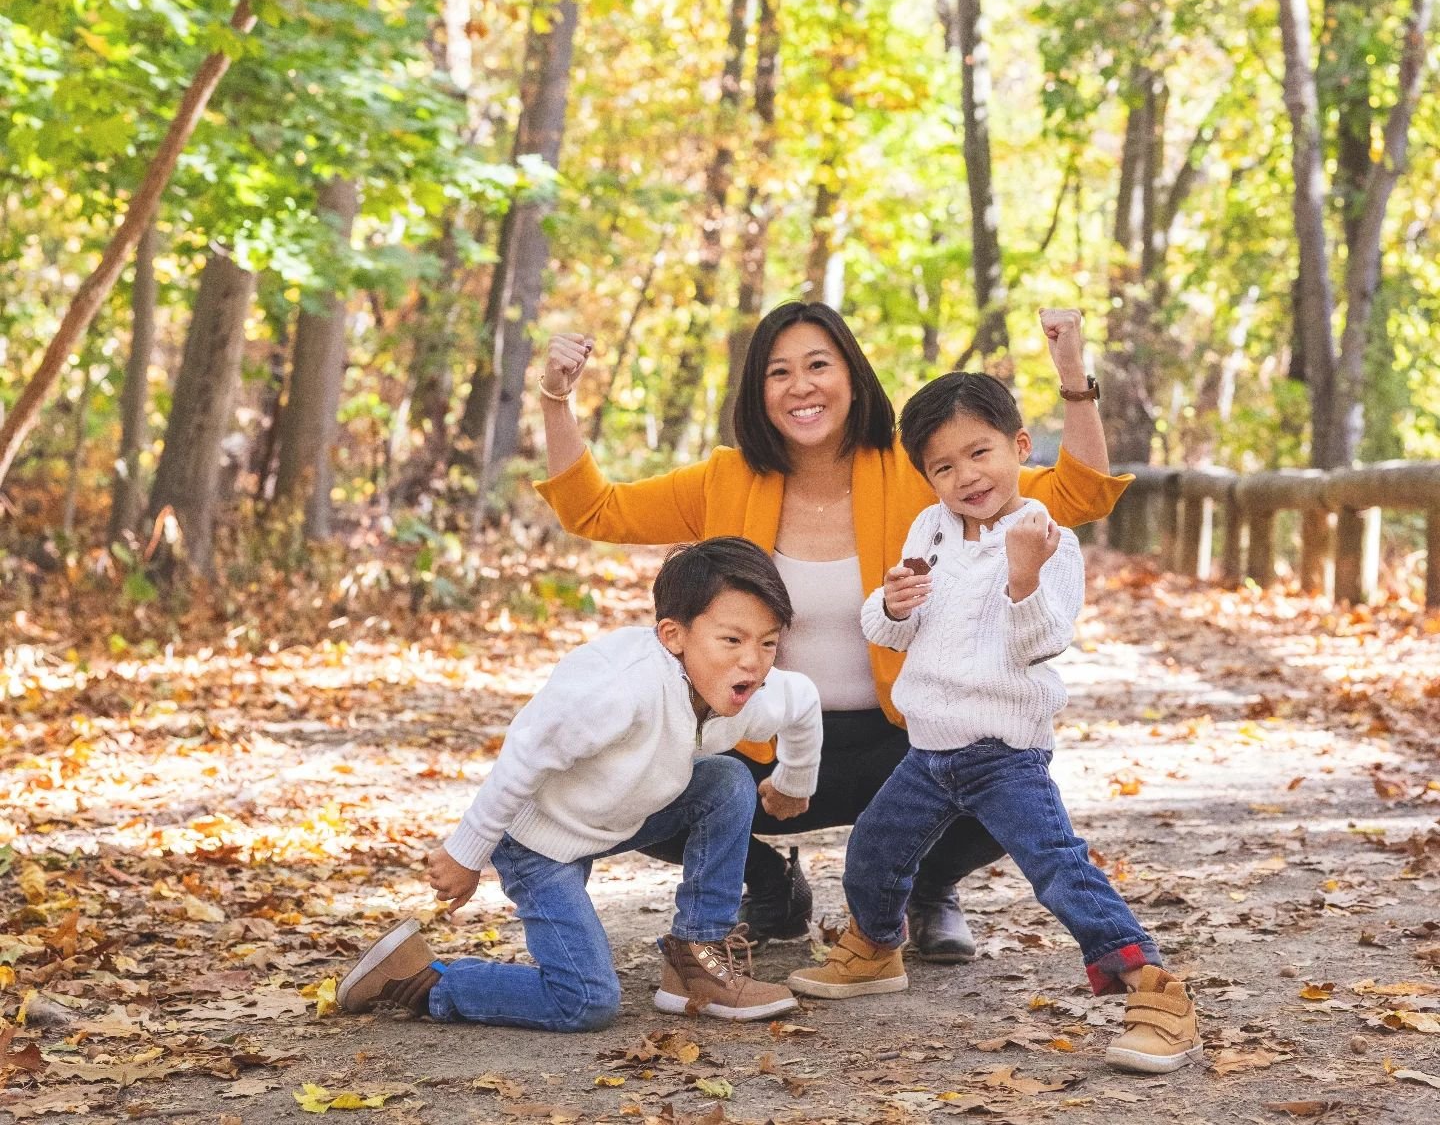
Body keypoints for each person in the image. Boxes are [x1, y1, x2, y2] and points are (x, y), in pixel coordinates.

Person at [534, 303, 1130, 962]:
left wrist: (1072, 374)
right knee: (633, 774)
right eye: (779, 372)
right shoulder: (726, 480)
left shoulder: (921, 471)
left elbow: (1084, 495)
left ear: (852, 375)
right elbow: (594, 508)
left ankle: (926, 890)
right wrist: (555, 399)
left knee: (1000, 766)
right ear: (758, 392)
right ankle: (764, 886)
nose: (802, 385)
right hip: (764, 745)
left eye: (819, 364)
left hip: (899, 743)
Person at [788, 371, 1201, 1076]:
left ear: (1018, 444)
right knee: (874, 850)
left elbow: (1039, 643)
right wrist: (892, 603)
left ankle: (1157, 995)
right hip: (928, 749)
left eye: (979, 454)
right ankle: (875, 949)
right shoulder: (930, 530)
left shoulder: (1047, 538)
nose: (966, 477)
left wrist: (1022, 579)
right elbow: (889, 635)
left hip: (1004, 755)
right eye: (943, 466)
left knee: (1059, 871)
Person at [336, 538, 822, 1030]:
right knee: (584, 1001)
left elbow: (802, 702)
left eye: (768, 642)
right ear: (673, 635)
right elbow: (525, 753)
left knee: (726, 780)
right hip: (538, 843)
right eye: (732, 640)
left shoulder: (752, 690)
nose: (754, 662)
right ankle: (421, 979)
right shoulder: (614, 689)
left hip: (614, 817)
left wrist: (793, 780)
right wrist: (468, 852)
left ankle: (696, 957)